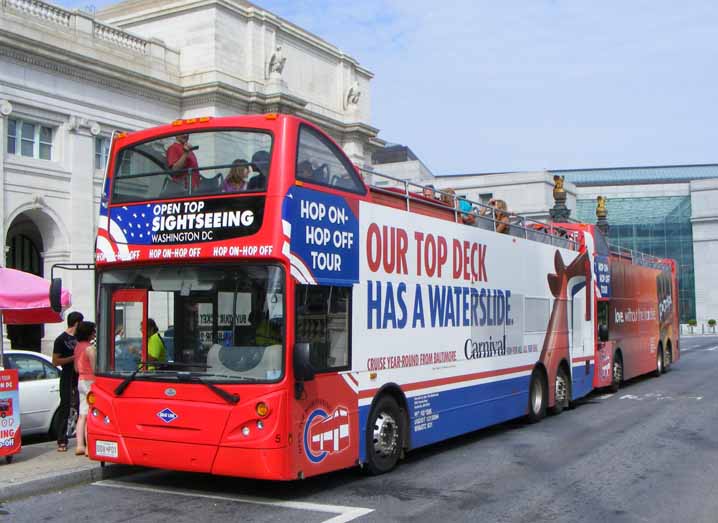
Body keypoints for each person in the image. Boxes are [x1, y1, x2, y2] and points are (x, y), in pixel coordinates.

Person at [52, 311, 83, 452]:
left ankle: (81, 438)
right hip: (67, 375)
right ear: (76, 323)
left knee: (80, 406)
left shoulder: (80, 339)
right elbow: (55, 361)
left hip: (79, 375)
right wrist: (72, 358)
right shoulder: (60, 340)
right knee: (65, 407)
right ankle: (61, 439)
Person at [73, 321, 96, 457]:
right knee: (90, 414)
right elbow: (95, 368)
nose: (94, 333)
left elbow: (76, 368)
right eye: (93, 331)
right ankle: (88, 447)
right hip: (90, 381)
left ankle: (79, 445)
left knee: (82, 414)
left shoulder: (77, 347)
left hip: (80, 379)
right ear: (89, 333)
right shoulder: (90, 348)